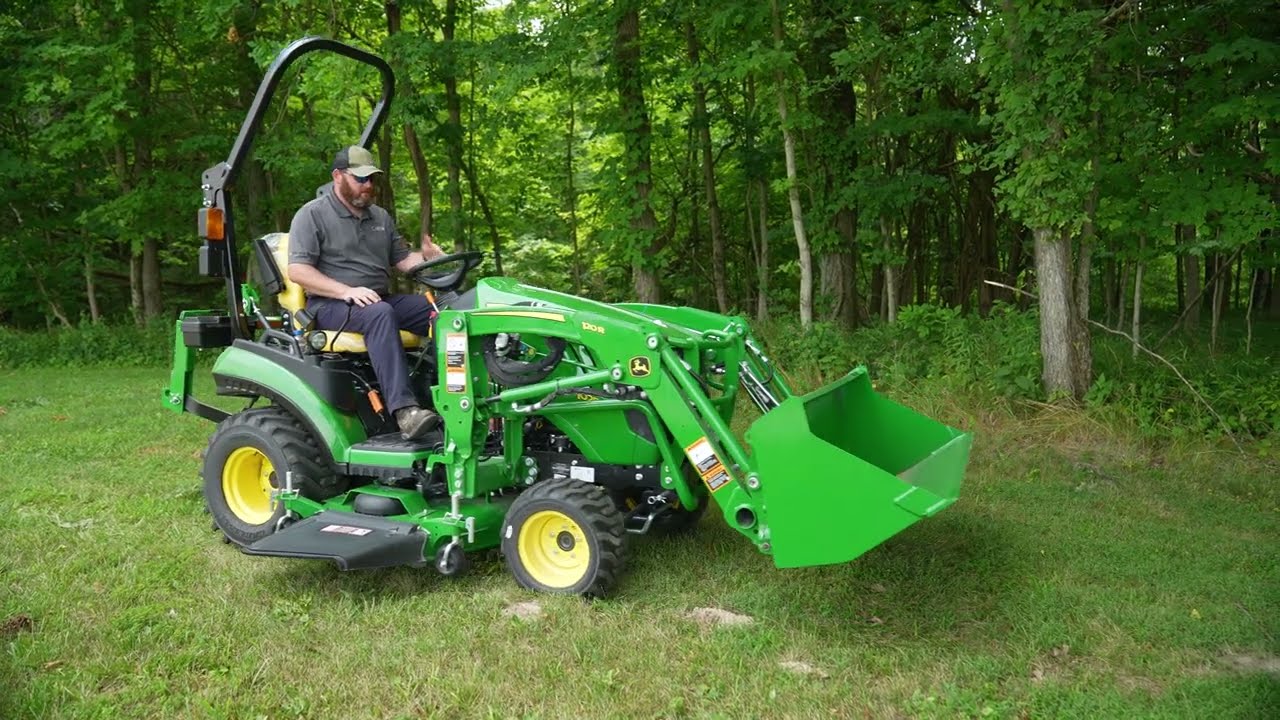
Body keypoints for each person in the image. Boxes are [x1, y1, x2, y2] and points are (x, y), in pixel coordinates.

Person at [287, 145, 445, 440]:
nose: (368, 186)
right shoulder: (311, 215)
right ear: (338, 176)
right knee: (379, 313)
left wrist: (429, 259)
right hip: (329, 305)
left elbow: (403, 262)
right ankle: (406, 412)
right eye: (360, 179)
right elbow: (299, 272)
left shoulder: (380, 218)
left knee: (442, 312)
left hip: (375, 299)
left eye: (372, 179)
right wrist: (346, 290)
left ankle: (453, 398)